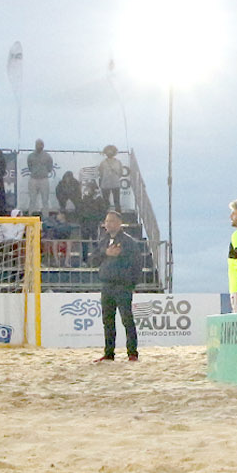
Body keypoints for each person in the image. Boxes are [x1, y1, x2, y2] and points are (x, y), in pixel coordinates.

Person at [95, 210, 140, 361]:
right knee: (107, 321)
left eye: (112, 221)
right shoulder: (103, 241)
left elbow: (136, 264)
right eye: (107, 221)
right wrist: (106, 253)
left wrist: (131, 284)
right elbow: (92, 259)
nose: (108, 224)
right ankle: (109, 353)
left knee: (127, 320)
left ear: (119, 223)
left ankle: (132, 353)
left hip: (123, 286)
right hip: (107, 285)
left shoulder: (129, 242)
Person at [25, 139, 55, 216]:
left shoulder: (47, 156)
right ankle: (31, 217)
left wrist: (44, 172)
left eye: (41, 144)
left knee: (45, 200)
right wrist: (35, 172)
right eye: (38, 144)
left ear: (43, 146)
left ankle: (46, 218)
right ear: (35, 145)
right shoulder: (30, 156)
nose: (40, 146)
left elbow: (50, 167)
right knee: (32, 200)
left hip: (44, 179)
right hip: (33, 179)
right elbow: (30, 166)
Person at [97, 145, 124, 214]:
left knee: (108, 201)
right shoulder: (118, 162)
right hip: (113, 183)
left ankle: (106, 214)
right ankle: (117, 214)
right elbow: (121, 173)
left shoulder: (103, 162)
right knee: (115, 201)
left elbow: (100, 173)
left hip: (106, 184)